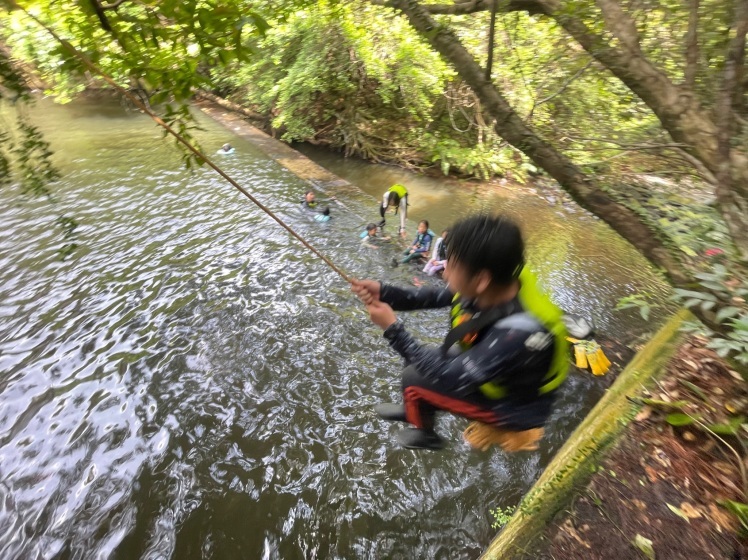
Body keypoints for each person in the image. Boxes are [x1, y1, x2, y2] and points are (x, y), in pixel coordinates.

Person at [350, 214, 568, 450]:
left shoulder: (519, 335)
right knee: (417, 362)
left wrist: (392, 328)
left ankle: (425, 433)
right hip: (491, 364)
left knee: (413, 379)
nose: (444, 272)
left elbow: (448, 376)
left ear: (481, 279)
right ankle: (412, 407)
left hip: (512, 408)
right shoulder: (496, 280)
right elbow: (432, 297)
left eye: (451, 266)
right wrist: (385, 292)